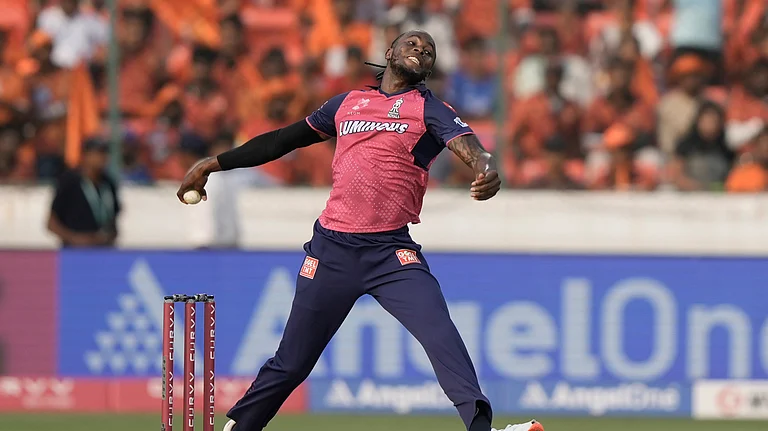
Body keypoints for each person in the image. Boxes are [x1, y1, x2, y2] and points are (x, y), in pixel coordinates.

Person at [177, 31, 542, 431]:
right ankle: (241, 427)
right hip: (331, 250)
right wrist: (213, 163)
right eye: (412, 44)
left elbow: (472, 148)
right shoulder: (346, 103)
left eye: (429, 50)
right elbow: (282, 141)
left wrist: (485, 169)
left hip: (391, 254)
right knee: (292, 362)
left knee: (442, 337)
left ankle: (480, 428)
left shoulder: (429, 108)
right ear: (388, 53)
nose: (420, 49)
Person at [47, 137, 120, 247]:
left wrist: (108, 236)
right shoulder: (70, 181)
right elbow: (51, 223)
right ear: (85, 155)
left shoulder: (108, 183)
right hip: (74, 251)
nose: (102, 157)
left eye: (104, 153)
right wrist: (74, 238)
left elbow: (114, 218)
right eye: (97, 153)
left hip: (103, 250)